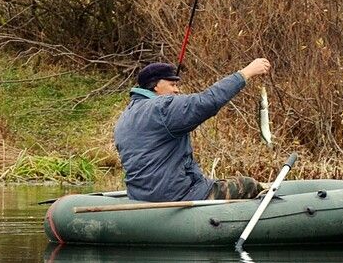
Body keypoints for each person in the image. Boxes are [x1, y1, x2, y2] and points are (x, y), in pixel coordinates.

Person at [114, 58, 271, 202]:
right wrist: (246, 72)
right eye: (172, 84)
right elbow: (207, 101)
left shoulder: (126, 116)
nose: (177, 90)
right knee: (247, 184)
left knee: (210, 183)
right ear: (156, 85)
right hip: (176, 196)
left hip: (140, 196)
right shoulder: (162, 108)